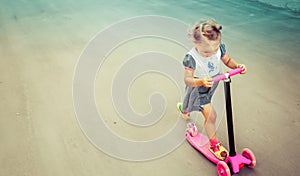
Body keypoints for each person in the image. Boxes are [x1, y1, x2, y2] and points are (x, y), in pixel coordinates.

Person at [177, 18, 247, 160]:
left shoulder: (218, 48)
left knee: (187, 106)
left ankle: (183, 108)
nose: (212, 53)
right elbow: (187, 79)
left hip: (213, 84)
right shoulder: (191, 58)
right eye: (207, 53)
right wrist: (201, 81)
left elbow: (227, 60)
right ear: (195, 43)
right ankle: (214, 144)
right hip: (198, 88)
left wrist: (237, 66)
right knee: (211, 116)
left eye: (215, 49)